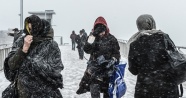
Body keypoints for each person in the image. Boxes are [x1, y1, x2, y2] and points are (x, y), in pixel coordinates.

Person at [2, 15, 64, 98]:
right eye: (28, 29)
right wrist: (23, 50)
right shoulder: (21, 41)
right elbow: (11, 65)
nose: (29, 32)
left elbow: (57, 68)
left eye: (32, 29)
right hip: (22, 92)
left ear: (38, 28)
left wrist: (34, 65)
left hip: (44, 93)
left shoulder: (50, 45)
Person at [128, 14, 179, 98]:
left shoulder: (134, 44)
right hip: (168, 87)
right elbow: (176, 58)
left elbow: (133, 70)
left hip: (145, 89)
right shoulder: (164, 37)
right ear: (152, 23)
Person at [76, 16, 120, 98]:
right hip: (94, 73)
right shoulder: (93, 38)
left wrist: (113, 59)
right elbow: (86, 49)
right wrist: (93, 36)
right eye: (99, 31)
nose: (102, 33)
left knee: (108, 95)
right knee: (95, 94)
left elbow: (116, 53)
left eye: (103, 30)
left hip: (108, 73)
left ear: (106, 29)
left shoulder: (112, 39)